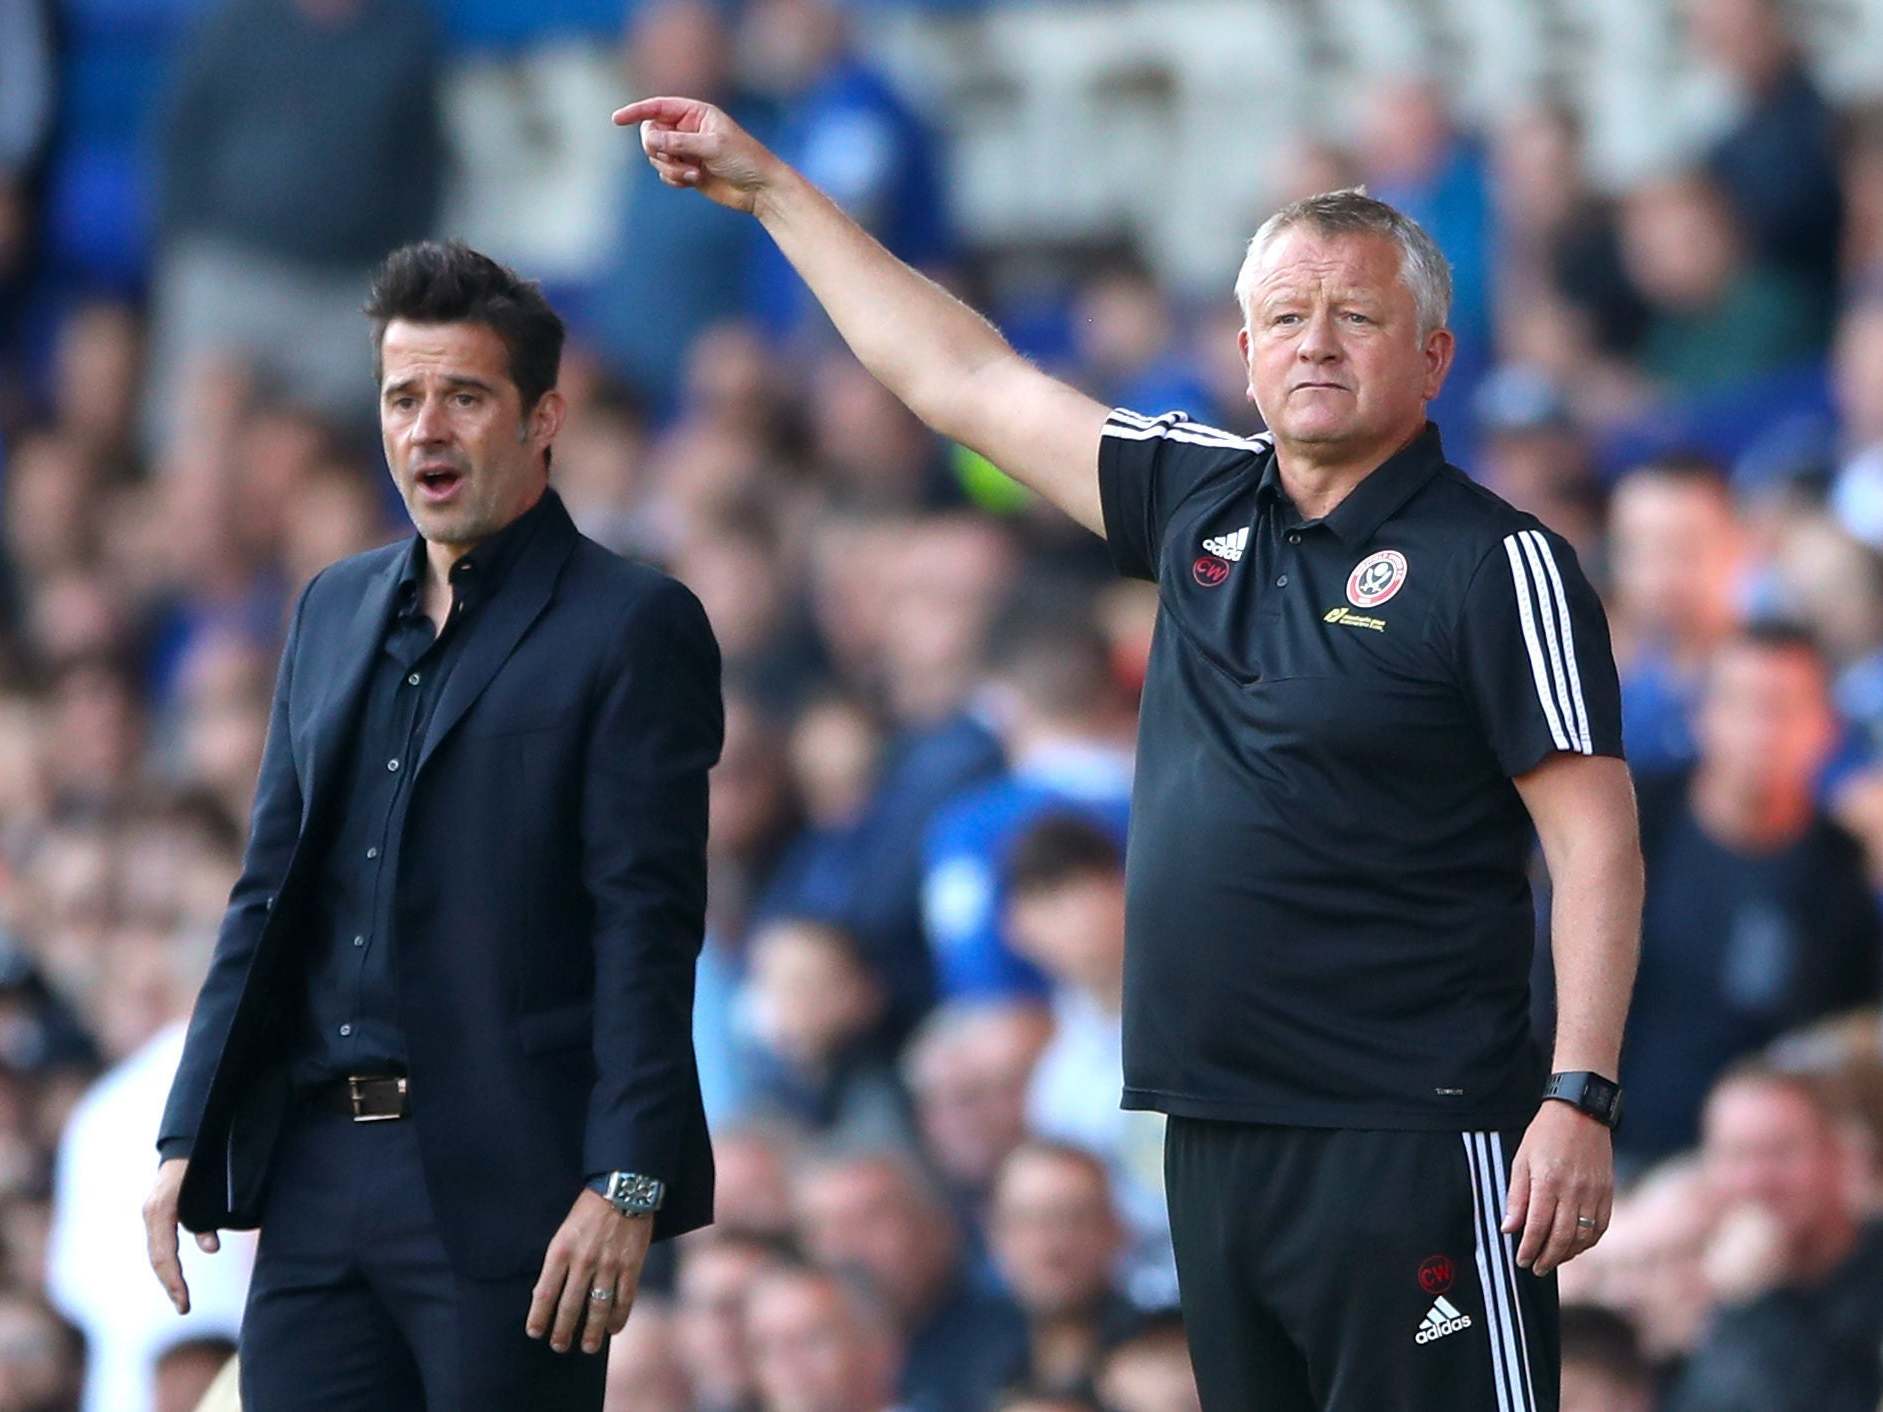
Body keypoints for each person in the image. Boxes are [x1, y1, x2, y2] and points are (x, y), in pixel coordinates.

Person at [617, 96, 1643, 1412]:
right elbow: (963, 379)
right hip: (1208, 1132)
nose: (1312, 344)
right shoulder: (1196, 492)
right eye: (1283, 317)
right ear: (1242, 348)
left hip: (1414, 1134)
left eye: (1354, 316)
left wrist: (1577, 1095)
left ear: (1434, 356)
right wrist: (771, 195)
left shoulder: (1497, 562)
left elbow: (1594, 842)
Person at [141, 241, 725, 1409]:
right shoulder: (333, 603)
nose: (427, 429)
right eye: (403, 397)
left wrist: (625, 1180)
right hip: (316, 1174)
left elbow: (646, 925)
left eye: (465, 395)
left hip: (512, 1183)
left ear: (542, 415)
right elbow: (266, 890)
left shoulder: (631, 623)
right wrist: (183, 1136)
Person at [1620, 625, 1882, 1165]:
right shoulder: (1631, 824)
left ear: (1828, 729)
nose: (1763, 730)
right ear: (1700, 716)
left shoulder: (1845, 873)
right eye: (1742, 704)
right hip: (1604, 1148)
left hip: (1762, 1178)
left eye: (1785, 708)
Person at [1664, 1063, 1883, 1412]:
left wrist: (1755, 1302)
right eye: (1736, 1155)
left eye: (1780, 1153)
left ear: (1839, 1156)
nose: (1756, 1180)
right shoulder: (1688, 1283)